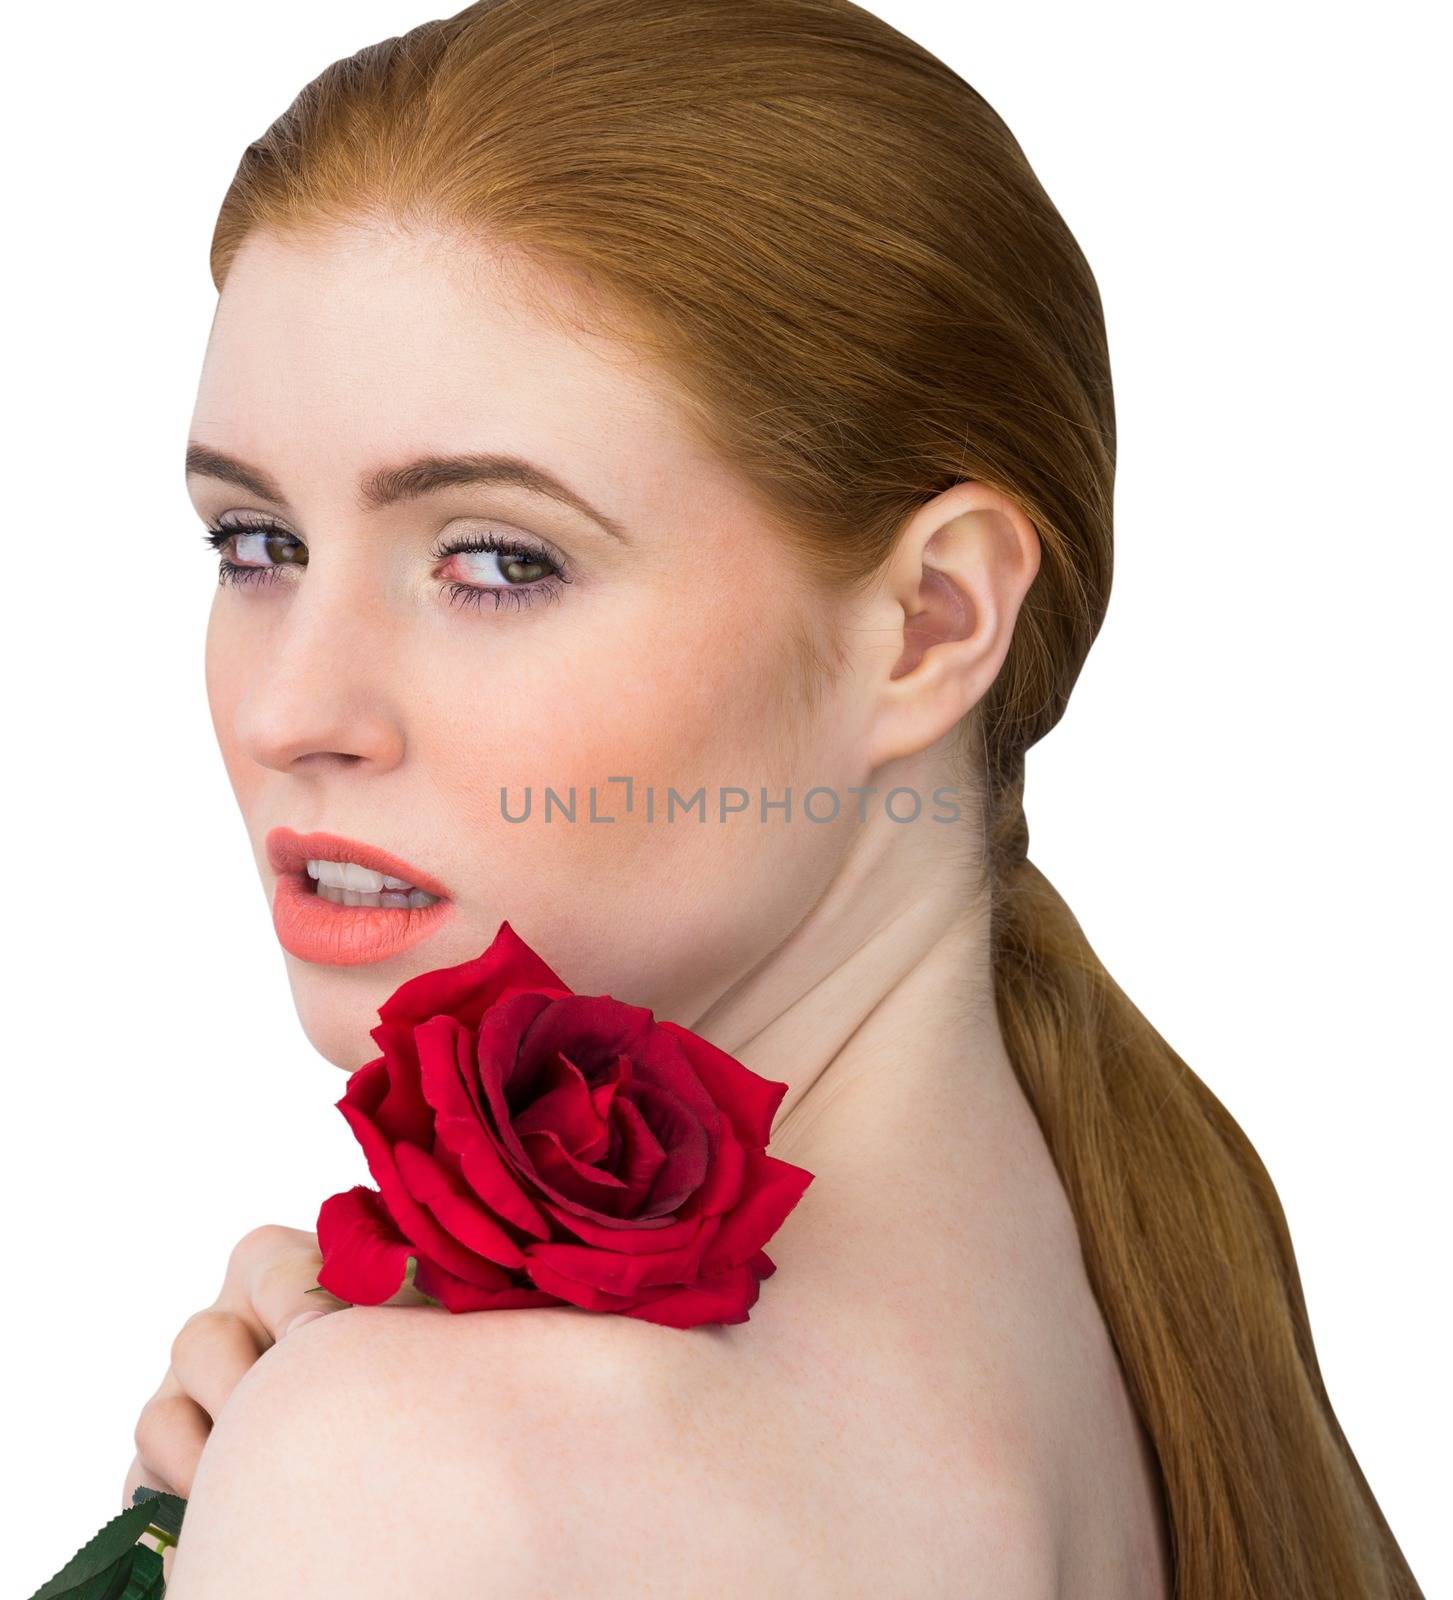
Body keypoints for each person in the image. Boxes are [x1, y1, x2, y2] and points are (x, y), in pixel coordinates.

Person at [122, 0, 1424, 1594]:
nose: (288, 711)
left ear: (931, 621)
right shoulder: (1121, 1330)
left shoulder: (432, 1467)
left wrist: (294, 1495)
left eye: (495, 560)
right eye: (257, 546)